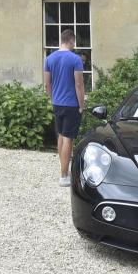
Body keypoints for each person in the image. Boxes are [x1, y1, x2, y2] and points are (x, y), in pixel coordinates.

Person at [44, 29, 86, 187]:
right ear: (71, 41)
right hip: (71, 104)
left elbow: (47, 84)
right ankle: (63, 175)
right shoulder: (75, 59)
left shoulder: (49, 58)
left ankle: (63, 169)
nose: (75, 45)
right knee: (68, 138)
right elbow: (79, 84)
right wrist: (82, 105)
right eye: (74, 42)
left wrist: (52, 98)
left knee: (61, 136)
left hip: (57, 103)